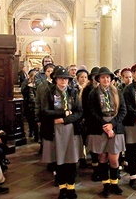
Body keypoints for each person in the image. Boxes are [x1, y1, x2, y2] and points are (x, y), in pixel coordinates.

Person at [38, 67, 83, 199]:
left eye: (66, 78)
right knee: (59, 160)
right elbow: (45, 111)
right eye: (60, 78)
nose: (63, 80)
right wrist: (63, 112)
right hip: (54, 131)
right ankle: (62, 188)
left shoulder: (74, 92)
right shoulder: (48, 92)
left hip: (71, 129)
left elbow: (79, 112)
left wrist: (64, 119)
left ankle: (71, 187)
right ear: (55, 79)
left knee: (71, 160)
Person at [87, 67, 126, 197]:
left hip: (115, 126)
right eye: (103, 77)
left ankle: (114, 183)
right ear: (98, 79)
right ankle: (106, 185)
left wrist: (112, 125)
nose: (106, 79)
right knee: (102, 157)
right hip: (99, 127)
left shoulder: (117, 92)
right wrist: (104, 125)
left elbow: (123, 111)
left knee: (114, 158)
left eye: (108, 77)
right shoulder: (93, 93)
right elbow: (91, 112)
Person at [81, 66, 101, 181]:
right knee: (94, 146)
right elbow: (86, 106)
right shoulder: (88, 89)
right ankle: (95, 168)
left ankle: (101, 167)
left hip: (101, 121)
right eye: (95, 77)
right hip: (91, 121)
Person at [21, 69, 39, 140]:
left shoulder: (38, 83)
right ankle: (31, 130)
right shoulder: (26, 82)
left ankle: (36, 135)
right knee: (30, 119)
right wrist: (28, 86)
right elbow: (23, 91)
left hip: (36, 104)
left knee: (36, 121)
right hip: (29, 104)